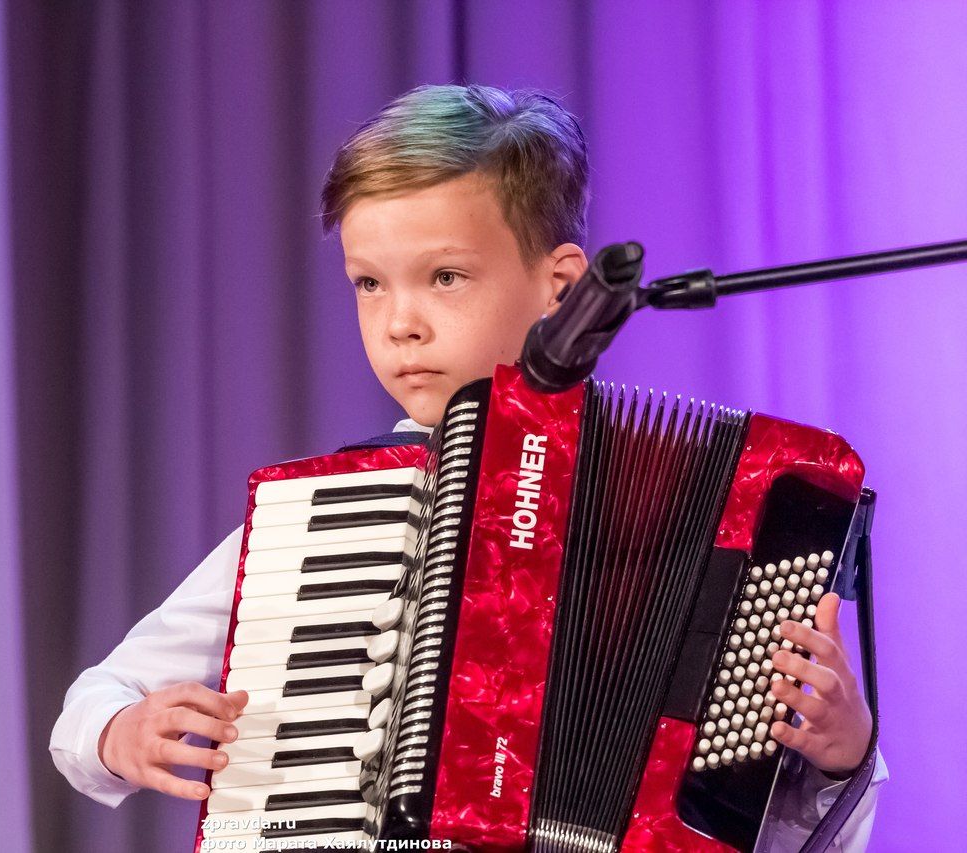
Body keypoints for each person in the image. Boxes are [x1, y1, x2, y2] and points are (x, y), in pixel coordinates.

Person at [50, 84, 886, 849]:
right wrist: (120, 733)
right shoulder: (329, 521)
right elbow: (98, 695)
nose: (399, 322)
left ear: (561, 288)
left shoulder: (702, 506)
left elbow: (798, 831)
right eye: (369, 283)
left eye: (444, 276)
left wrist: (843, 753)